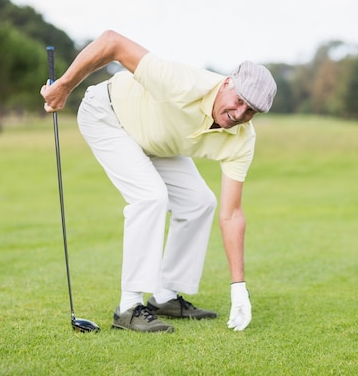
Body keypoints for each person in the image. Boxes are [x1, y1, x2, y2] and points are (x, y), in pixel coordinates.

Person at [40, 30, 277, 333]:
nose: (240, 113)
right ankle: (128, 307)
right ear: (228, 82)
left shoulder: (242, 139)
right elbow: (112, 42)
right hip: (107, 115)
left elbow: (232, 214)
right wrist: (64, 86)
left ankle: (165, 295)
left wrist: (238, 288)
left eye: (252, 111)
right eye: (240, 100)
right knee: (151, 197)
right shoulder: (181, 81)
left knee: (200, 202)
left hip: (154, 139)